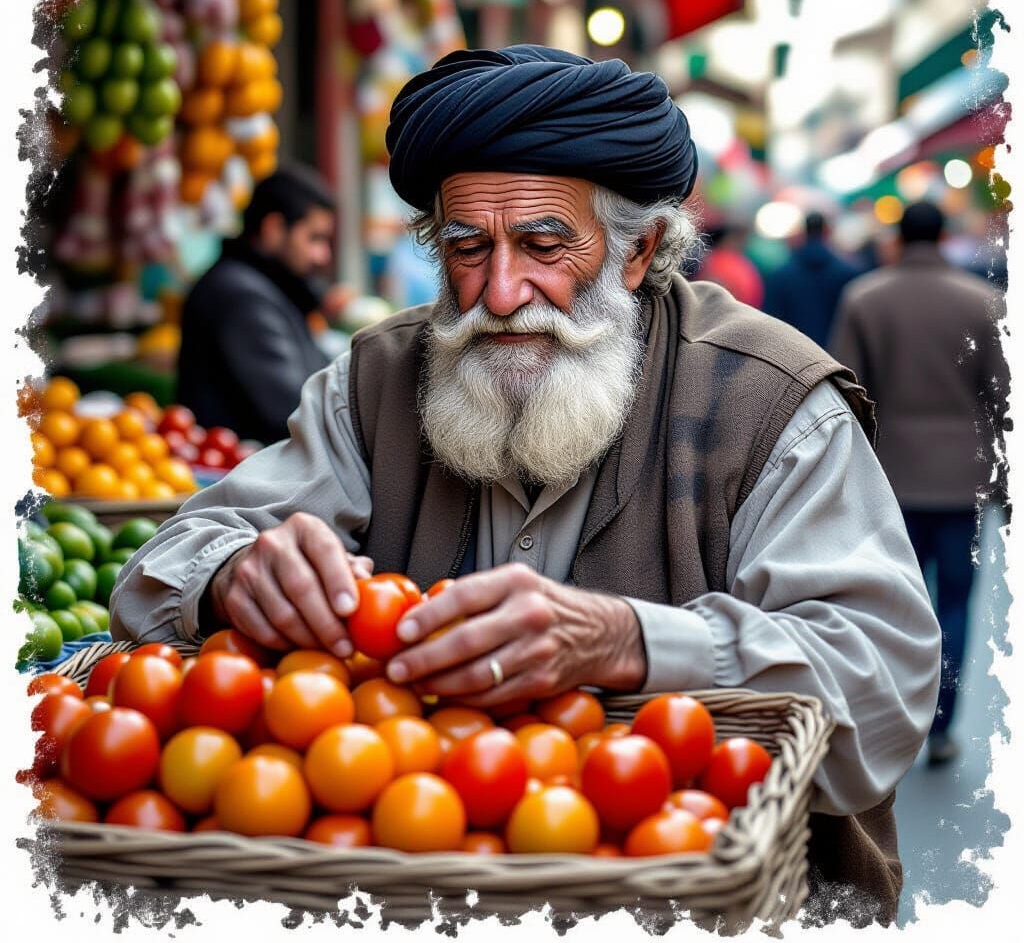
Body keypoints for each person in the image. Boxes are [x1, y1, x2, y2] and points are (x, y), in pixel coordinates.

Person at [112, 46, 940, 926]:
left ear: (639, 251)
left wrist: (626, 641)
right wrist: (237, 575)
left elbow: (882, 682)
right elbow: (155, 574)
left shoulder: (773, 400)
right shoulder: (378, 379)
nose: (500, 294)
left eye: (544, 244)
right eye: (468, 249)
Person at [830, 200, 1008, 767]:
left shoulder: (865, 299)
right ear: (944, 235)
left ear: (899, 237)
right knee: (955, 602)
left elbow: (845, 394)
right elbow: (1004, 401)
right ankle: (943, 726)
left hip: (890, 480)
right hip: (963, 480)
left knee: (892, 607)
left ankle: (893, 725)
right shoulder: (984, 303)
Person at [177, 165, 336, 444]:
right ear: (274, 228)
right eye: (314, 238)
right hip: (242, 475)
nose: (323, 255)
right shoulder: (242, 296)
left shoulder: (266, 286)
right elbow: (293, 411)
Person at [763, 211, 861, 347]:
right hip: (836, 354)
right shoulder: (848, 273)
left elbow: (771, 319)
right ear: (827, 231)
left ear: (804, 233)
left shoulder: (780, 275)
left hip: (795, 354)